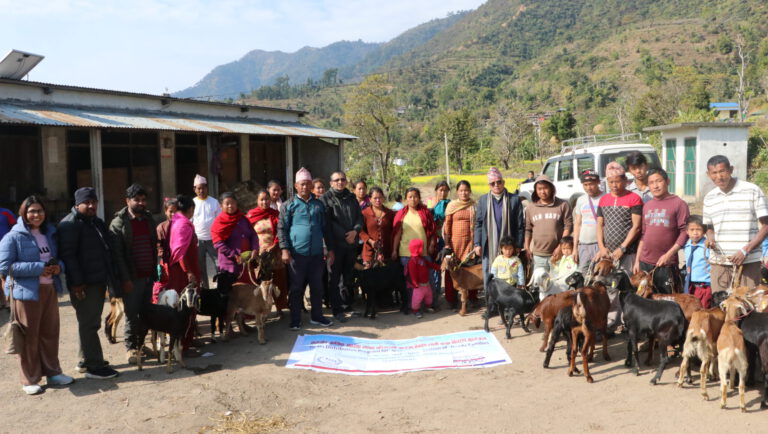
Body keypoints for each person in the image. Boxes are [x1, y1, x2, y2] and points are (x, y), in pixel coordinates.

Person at [0, 196, 73, 395]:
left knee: (50, 333)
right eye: (32, 211)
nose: (36, 215)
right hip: (26, 293)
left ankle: (53, 373)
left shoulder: (49, 233)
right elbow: (5, 267)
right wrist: (38, 268)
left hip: (49, 289)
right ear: (23, 213)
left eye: (39, 210)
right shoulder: (13, 237)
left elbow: (58, 258)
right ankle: (30, 379)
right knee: (29, 337)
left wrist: (59, 267)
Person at [57, 187, 119, 379]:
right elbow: (68, 256)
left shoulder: (95, 222)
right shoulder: (69, 224)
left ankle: (85, 359)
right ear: (77, 204)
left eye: (94, 202)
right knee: (90, 324)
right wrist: (76, 283)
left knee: (87, 321)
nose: (92, 206)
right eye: (87, 202)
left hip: (97, 280)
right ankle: (95, 366)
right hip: (84, 284)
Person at [278, 167, 336, 330]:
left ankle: (317, 316)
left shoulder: (319, 205)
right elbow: (282, 228)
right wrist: (284, 249)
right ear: (296, 186)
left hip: (316, 254)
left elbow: (326, 229)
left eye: (307, 184)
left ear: (311, 185)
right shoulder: (288, 205)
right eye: (301, 184)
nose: (304, 187)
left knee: (317, 287)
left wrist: (330, 249)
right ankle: (295, 319)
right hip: (297, 254)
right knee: (296, 288)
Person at [703, 155, 768, 293]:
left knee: (748, 303)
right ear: (708, 174)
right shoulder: (709, 197)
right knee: (720, 304)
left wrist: (746, 250)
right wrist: (710, 238)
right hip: (719, 262)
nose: (719, 177)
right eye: (714, 173)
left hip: (748, 262)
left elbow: (766, 226)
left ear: (731, 170)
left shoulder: (752, 190)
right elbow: (709, 227)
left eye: (722, 171)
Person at [109, 184, 157, 364]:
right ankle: (131, 348)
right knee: (131, 313)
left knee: (145, 313)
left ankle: (140, 344)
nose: (141, 203)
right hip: (131, 278)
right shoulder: (119, 223)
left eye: (143, 200)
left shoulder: (148, 219)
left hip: (148, 275)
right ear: (127, 201)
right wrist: (125, 279)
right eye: (137, 200)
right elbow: (117, 256)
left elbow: (153, 246)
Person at [595, 162, 642, 331]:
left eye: (617, 181)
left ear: (625, 181)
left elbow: (636, 227)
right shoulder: (604, 200)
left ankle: (626, 321)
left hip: (627, 252)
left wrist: (622, 248)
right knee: (609, 287)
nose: (614, 185)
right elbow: (600, 225)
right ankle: (610, 322)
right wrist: (602, 247)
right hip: (608, 254)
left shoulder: (634, 198)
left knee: (626, 287)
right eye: (611, 182)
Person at [633, 168, 689, 294]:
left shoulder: (679, 204)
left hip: (666, 264)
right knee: (645, 299)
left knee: (666, 300)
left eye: (658, 181)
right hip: (645, 263)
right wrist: (637, 261)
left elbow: (684, 232)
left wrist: (668, 255)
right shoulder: (647, 205)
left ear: (667, 181)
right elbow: (643, 235)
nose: (655, 186)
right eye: (651, 183)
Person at [320, 170, 362, 322]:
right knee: (335, 279)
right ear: (331, 183)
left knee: (348, 277)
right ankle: (337, 309)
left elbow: (359, 217)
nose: (340, 182)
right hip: (335, 245)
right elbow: (328, 223)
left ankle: (346, 305)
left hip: (351, 245)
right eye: (337, 180)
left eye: (342, 179)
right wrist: (346, 235)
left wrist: (355, 231)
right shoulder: (325, 199)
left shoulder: (351, 197)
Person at [473, 167, 525, 287]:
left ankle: (508, 298)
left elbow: (520, 225)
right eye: (492, 183)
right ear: (489, 185)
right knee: (489, 274)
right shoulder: (483, 200)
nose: (496, 185)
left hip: (509, 247)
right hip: (489, 246)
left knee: (510, 274)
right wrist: (477, 244)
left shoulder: (514, 200)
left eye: (499, 182)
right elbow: (479, 224)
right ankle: (490, 298)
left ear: (503, 182)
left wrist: (518, 245)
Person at [392, 187, 437, 311]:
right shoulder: (401, 214)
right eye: (410, 197)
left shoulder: (425, 213)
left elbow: (432, 231)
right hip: (406, 253)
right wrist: (394, 250)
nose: (413, 199)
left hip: (424, 252)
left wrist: (432, 244)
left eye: (415, 196)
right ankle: (412, 306)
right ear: (406, 199)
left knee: (428, 280)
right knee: (411, 282)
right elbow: (397, 234)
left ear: (419, 198)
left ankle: (429, 304)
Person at [167, 195, 200, 352]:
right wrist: (189, 272)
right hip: (184, 272)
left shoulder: (177, 221)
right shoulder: (183, 225)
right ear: (191, 209)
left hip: (183, 270)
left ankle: (187, 341)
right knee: (187, 307)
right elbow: (181, 253)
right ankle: (184, 346)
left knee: (186, 307)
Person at [246, 189, 288, 314]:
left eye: (267, 199)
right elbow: (248, 235)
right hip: (259, 254)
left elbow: (281, 231)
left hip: (275, 252)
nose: (265, 202)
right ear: (257, 201)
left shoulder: (276, 214)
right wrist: (255, 249)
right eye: (262, 199)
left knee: (279, 281)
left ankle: (280, 308)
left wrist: (274, 245)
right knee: (261, 283)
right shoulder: (251, 215)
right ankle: (262, 310)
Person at [524, 174, 572, 274]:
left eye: (545, 188)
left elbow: (568, 226)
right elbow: (528, 229)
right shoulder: (530, 207)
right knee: (540, 280)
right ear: (535, 190)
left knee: (557, 281)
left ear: (551, 188)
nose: (542, 191)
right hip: (538, 255)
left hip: (557, 254)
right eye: (539, 189)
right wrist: (527, 248)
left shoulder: (562, 205)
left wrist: (560, 247)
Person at [211, 192, 259, 292]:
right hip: (230, 265)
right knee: (232, 294)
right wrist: (234, 256)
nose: (230, 206)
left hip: (246, 263)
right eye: (227, 203)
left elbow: (253, 235)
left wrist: (255, 249)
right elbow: (218, 243)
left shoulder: (243, 219)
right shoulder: (219, 222)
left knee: (248, 291)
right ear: (221, 206)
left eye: (232, 203)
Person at [444, 180, 478, 307]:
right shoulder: (452, 206)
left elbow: (477, 225)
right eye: (461, 190)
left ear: (470, 191)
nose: (464, 193)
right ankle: (451, 299)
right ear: (457, 192)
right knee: (452, 271)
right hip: (454, 244)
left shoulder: (473, 205)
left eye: (466, 190)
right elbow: (447, 226)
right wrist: (447, 244)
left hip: (470, 243)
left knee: (470, 270)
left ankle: (472, 298)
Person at [572, 169, 605, 274]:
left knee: (600, 276)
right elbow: (577, 224)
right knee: (583, 275)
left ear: (598, 182)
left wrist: (603, 248)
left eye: (591, 184)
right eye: (585, 185)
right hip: (583, 245)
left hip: (599, 244)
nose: (588, 188)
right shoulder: (581, 200)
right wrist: (575, 248)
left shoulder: (605, 198)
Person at [192, 174, 220, 289]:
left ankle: (220, 287)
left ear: (207, 188)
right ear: (194, 189)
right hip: (198, 240)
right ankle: (205, 290)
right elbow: (189, 221)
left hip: (213, 239)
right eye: (199, 188)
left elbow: (219, 220)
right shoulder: (192, 203)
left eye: (203, 188)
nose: (201, 190)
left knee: (219, 264)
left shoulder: (214, 202)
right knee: (201, 267)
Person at [405, 238, 441, 318]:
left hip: (426, 283)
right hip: (419, 285)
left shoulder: (422, 258)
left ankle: (428, 307)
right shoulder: (412, 261)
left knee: (429, 296)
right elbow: (412, 273)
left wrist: (439, 267)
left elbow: (430, 264)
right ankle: (416, 311)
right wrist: (415, 283)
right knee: (417, 299)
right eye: (422, 247)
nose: (423, 249)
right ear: (417, 249)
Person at [359, 186, 394, 267]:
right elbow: (360, 231)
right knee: (370, 274)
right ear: (370, 199)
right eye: (375, 198)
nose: (378, 200)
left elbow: (394, 230)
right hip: (369, 253)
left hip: (386, 252)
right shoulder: (364, 213)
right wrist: (370, 241)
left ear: (383, 198)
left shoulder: (390, 213)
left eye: (380, 197)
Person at [430, 180, 451, 307]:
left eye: (445, 190)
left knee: (447, 266)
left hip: (447, 239)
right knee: (435, 268)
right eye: (440, 190)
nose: (443, 193)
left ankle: (450, 296)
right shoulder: (430, 203)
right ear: (436, 191)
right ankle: (435, 295)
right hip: (434, 239)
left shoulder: (450, 204)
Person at [683, 215, 712, 308]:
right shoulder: (687, 246)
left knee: (702, 310)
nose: (695, 233)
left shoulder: (708, 247)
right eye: (692, 230)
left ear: (704, 231)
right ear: (687, 231)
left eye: (698, 229)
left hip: (704, 287)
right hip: (690, 285)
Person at [154, 197, 178, 303]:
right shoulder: (161, 227)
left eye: (176, 211)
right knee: (164, 287)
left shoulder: (183, 225)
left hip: (181, 263)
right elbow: (159, 247)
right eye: (170, 211)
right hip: (167, 263)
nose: (173, 214)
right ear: (165, 211)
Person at [0, 206, 15, 309]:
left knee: (5, 275)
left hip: (5, 248)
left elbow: (15, 228)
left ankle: (8, 301)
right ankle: (2, 301)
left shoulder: (6, 212)